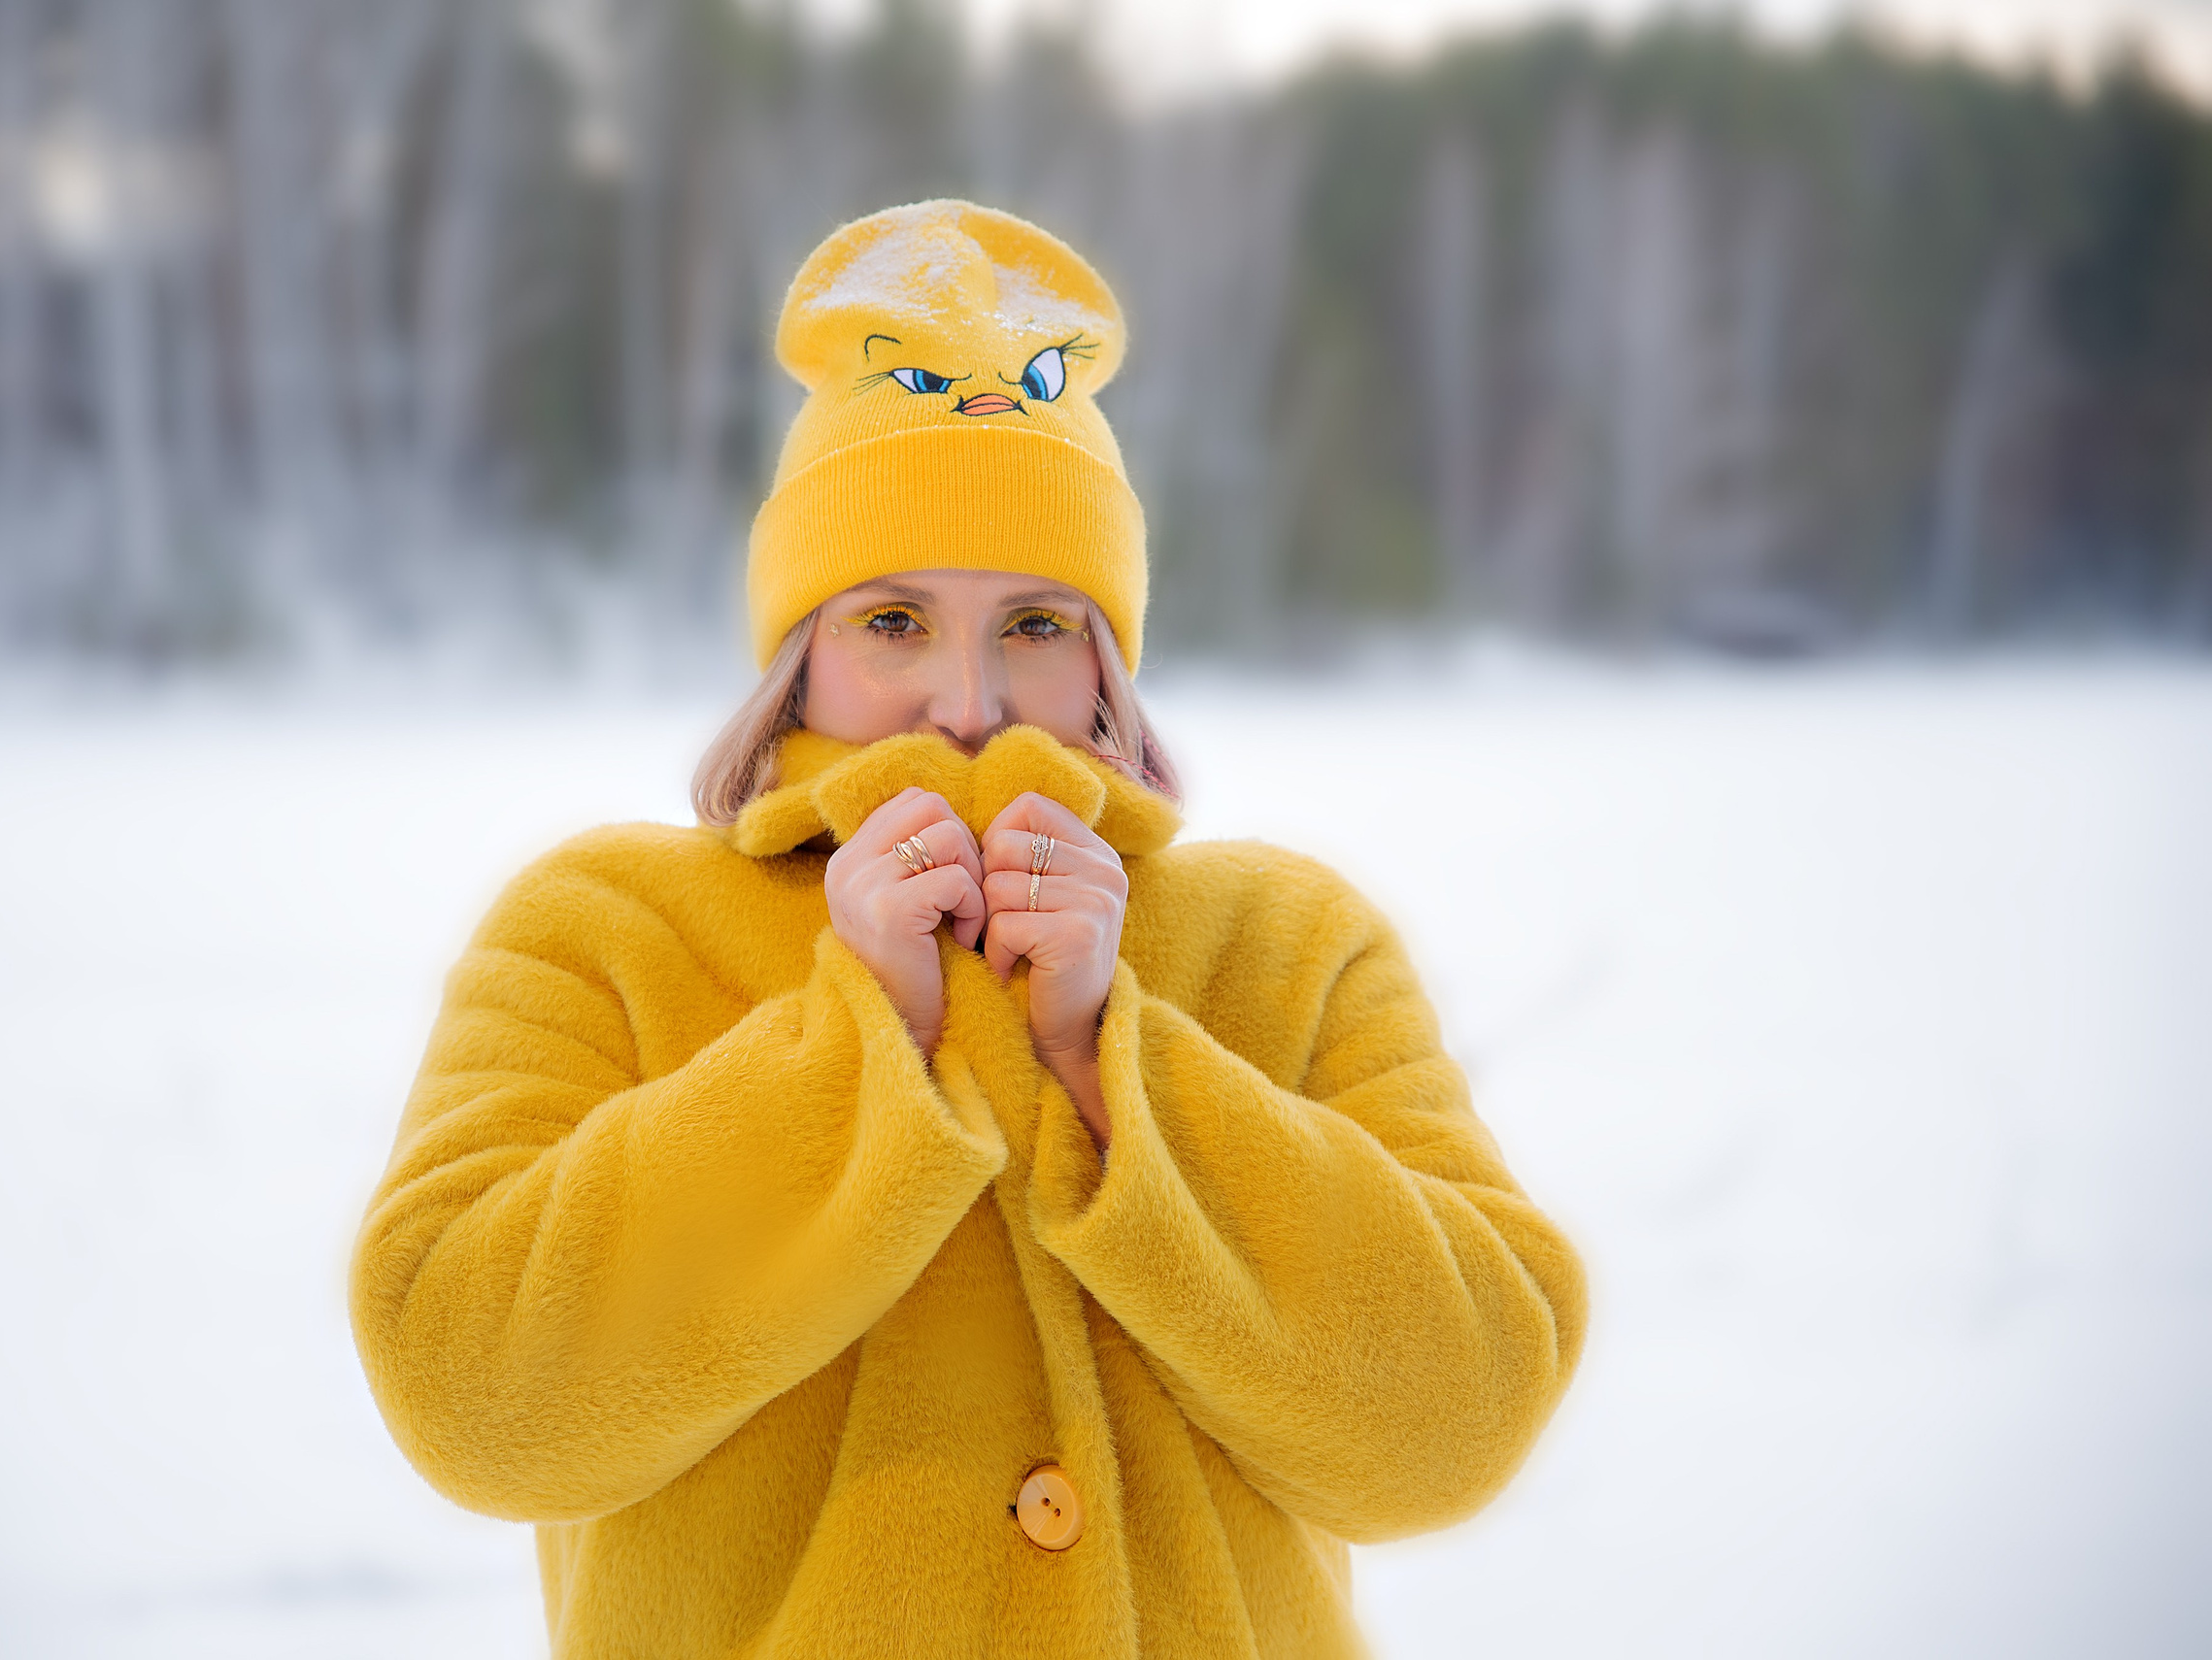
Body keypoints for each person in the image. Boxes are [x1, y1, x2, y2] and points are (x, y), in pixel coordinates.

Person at [350, 200, 1586, 1658]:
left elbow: (1459, 1424)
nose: (969, 703)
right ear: (798, 649)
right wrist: (851, 1046)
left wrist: (1111, 1064)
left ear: (1109, 660)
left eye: (1035, 626)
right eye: (892, 621)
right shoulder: (600, 929)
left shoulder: (1292, 945)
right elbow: (471, 1397)